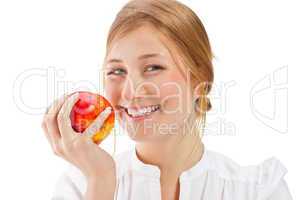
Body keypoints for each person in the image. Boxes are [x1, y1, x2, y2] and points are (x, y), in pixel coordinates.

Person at [42, 0, 293, 199]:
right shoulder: (81, 186)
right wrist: (101, 182)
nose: (130, 92)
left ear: (199, 80)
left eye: (153, 68)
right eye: (116, 71)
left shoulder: (259, 190)